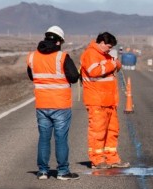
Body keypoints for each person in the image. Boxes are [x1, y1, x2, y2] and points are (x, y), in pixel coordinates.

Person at [27, 25, 81, 180]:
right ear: (59, 42)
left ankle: (43, 171)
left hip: (42, 104)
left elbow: (32, 76)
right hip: (60, 105)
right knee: (60, 138)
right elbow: (73, 77)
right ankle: (63, 172)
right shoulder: (62, 57)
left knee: (44, 138)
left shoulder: (32, 57)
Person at [80, 32, 130, 169]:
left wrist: (113, 63)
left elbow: (117, 65)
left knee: (112, 131)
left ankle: (111, 158)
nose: (109, 49)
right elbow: (94, 71)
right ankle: (97, 160)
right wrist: (111, 64)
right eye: (108, 46)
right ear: (101, 43)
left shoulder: (104, 55)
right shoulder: (90, 54)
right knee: (98, 132)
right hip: (97, 100)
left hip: (109, 101)